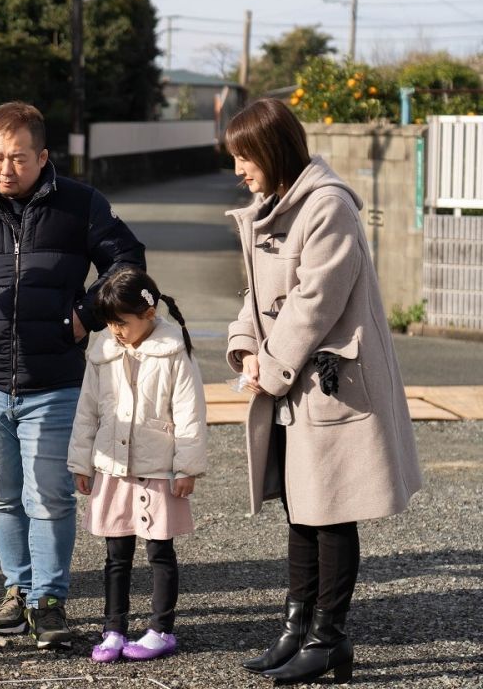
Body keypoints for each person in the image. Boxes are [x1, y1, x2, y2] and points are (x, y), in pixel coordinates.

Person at [0, 101, 145, 649]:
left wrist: (86, 315)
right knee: (0, 493)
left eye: (17, 158)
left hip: (55, 379)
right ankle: (17, 591)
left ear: (42, 156)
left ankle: (50, 600)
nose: (5, 169)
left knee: (51, 495)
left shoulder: (82, 205)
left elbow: (127, 261)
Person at [224, 98, 422, 685]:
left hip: (331, 386)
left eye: (244, 156)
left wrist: (272, 364)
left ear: (273, 149)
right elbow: (255, 295)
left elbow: (315, 302)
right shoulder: (271, 204)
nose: (238, 169)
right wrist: (243, 346)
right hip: (294, 385)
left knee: (331, 512)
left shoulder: (328, 207)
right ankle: (297, 629)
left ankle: (328, 637)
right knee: (300, 508)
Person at [67, 266, 208, 663]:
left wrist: (186, 468)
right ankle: (113, 628)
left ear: (147, 314)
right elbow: (87, 412)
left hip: (158, 468)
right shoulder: (103, 351)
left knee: (160, 552)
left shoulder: (174, 351)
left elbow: (190, 412)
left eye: (122, 322)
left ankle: (161, 628)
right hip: (113, 468)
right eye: (109, 323)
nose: (115, 330)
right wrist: (82, 461)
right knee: (116, 553)